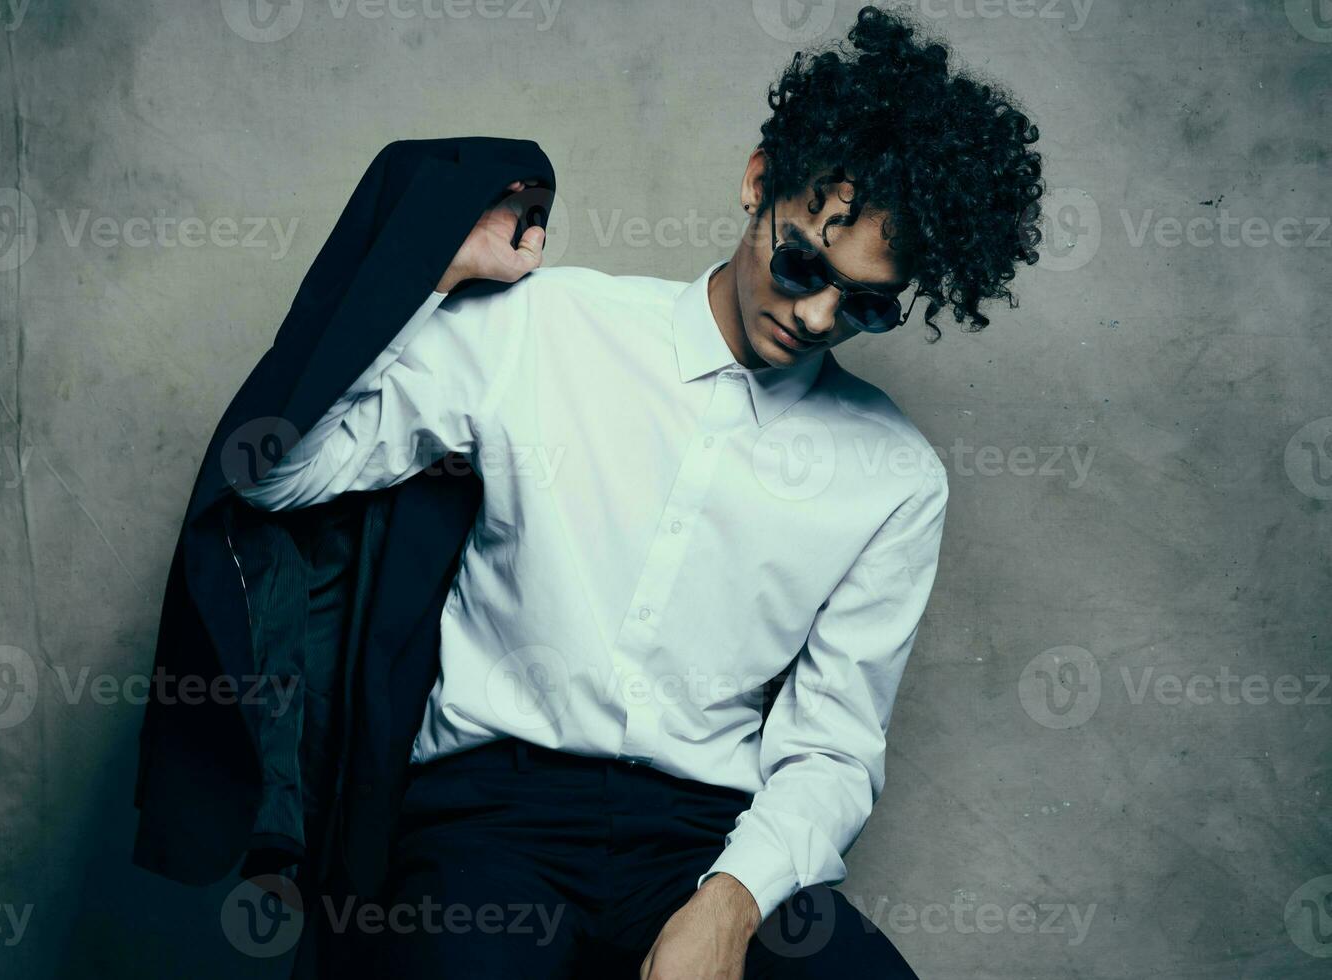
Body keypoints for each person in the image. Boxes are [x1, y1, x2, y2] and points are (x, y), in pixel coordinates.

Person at [235, 7, 1042, 977]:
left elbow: (833, 744)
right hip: (492, 813)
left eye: (866, 302)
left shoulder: (896, 478)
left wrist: (733, 899)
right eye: (803, 263)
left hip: (705, 837)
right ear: (757, 183)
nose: (820, 314)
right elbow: (279, 469)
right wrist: (427, 267)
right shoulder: (544, 326)